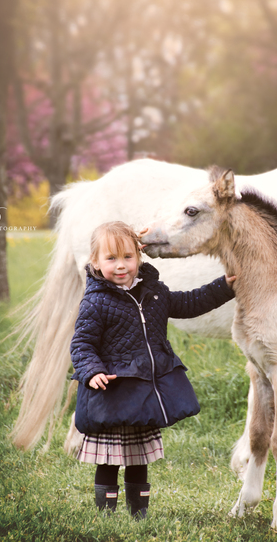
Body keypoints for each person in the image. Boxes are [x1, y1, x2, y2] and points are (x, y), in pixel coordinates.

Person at [70, 221, 236, 518]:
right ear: (95, 262)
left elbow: (188, 303)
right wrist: (91, 371)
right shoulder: (96, 302)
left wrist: (224, 287)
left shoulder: (154, 293)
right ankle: (105, 516)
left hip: (143, 393)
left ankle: (139, 513)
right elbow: (82, 344)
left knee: (137, 459)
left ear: (139, 256)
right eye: (111, 259)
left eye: (127, 257)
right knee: (107, 460)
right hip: (111, 394)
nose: (121, 266)